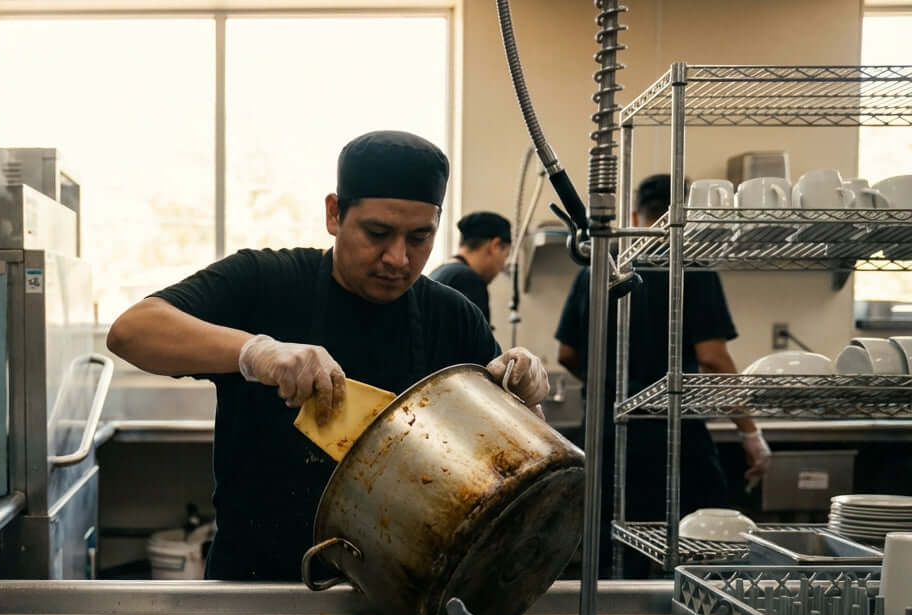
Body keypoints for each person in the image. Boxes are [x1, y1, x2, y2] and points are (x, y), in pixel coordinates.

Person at [108, 130, 549, 581]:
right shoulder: (265, 283)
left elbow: (516, 463)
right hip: (257, 585)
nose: (398, 258)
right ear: (334, 213)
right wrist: (257, 352)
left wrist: (525, 397)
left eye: (420, 237)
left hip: (400, 590)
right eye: (377, 233)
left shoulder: (452, 316)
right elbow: (131, 331)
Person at [555, 173, 771, 576]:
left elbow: (566, 353)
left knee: (612, 556)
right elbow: (713, 360)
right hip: (673, 439)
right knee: (701, 552)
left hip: (606, 437)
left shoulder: (597, 268)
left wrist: (611, 379)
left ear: (636, 214)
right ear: (687, 216)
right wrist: (750, 433)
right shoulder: (690, 265)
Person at [429, 211, 513, 322]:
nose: (503, 266)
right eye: (505, 255)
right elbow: (476, 339)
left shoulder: (441, 271)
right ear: (495, 246)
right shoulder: (469, 281)